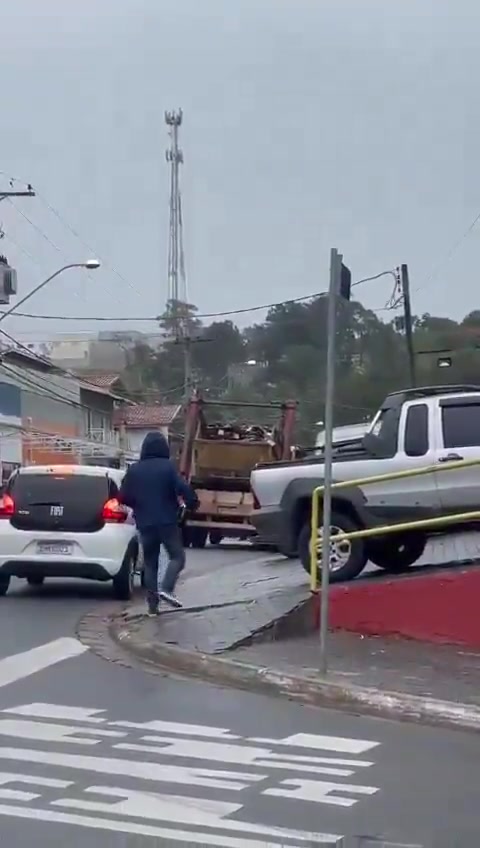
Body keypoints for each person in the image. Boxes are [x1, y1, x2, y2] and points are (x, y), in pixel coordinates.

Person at [119, 430, 199, 616]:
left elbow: (122, 496)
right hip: (167, 521)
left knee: (150, 563)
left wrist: (138, 505)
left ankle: (152, 608)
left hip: (145, 523)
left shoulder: (135, 469)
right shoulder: (168, 467)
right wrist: (193, 502)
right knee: (177, 557)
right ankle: (167, 588)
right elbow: (182, 488)